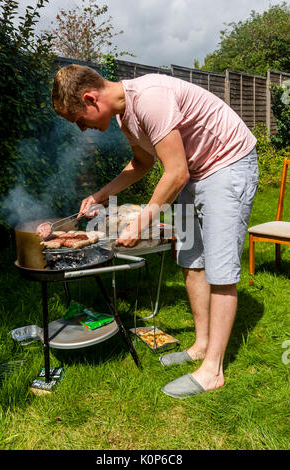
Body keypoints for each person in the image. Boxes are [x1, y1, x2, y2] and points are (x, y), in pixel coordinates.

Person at [51, 64, 259, 398]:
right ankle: (202, 347)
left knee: (220, 268)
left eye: (78, 119)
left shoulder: (149, 99)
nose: (82, 129)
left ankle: (213, 370)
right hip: (196, 170)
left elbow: (174, 173)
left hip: (227, 164)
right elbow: (144, 164)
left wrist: (141, 223)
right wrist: (101, 194)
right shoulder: (125, 116)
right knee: (191, 259)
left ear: (91, 99)